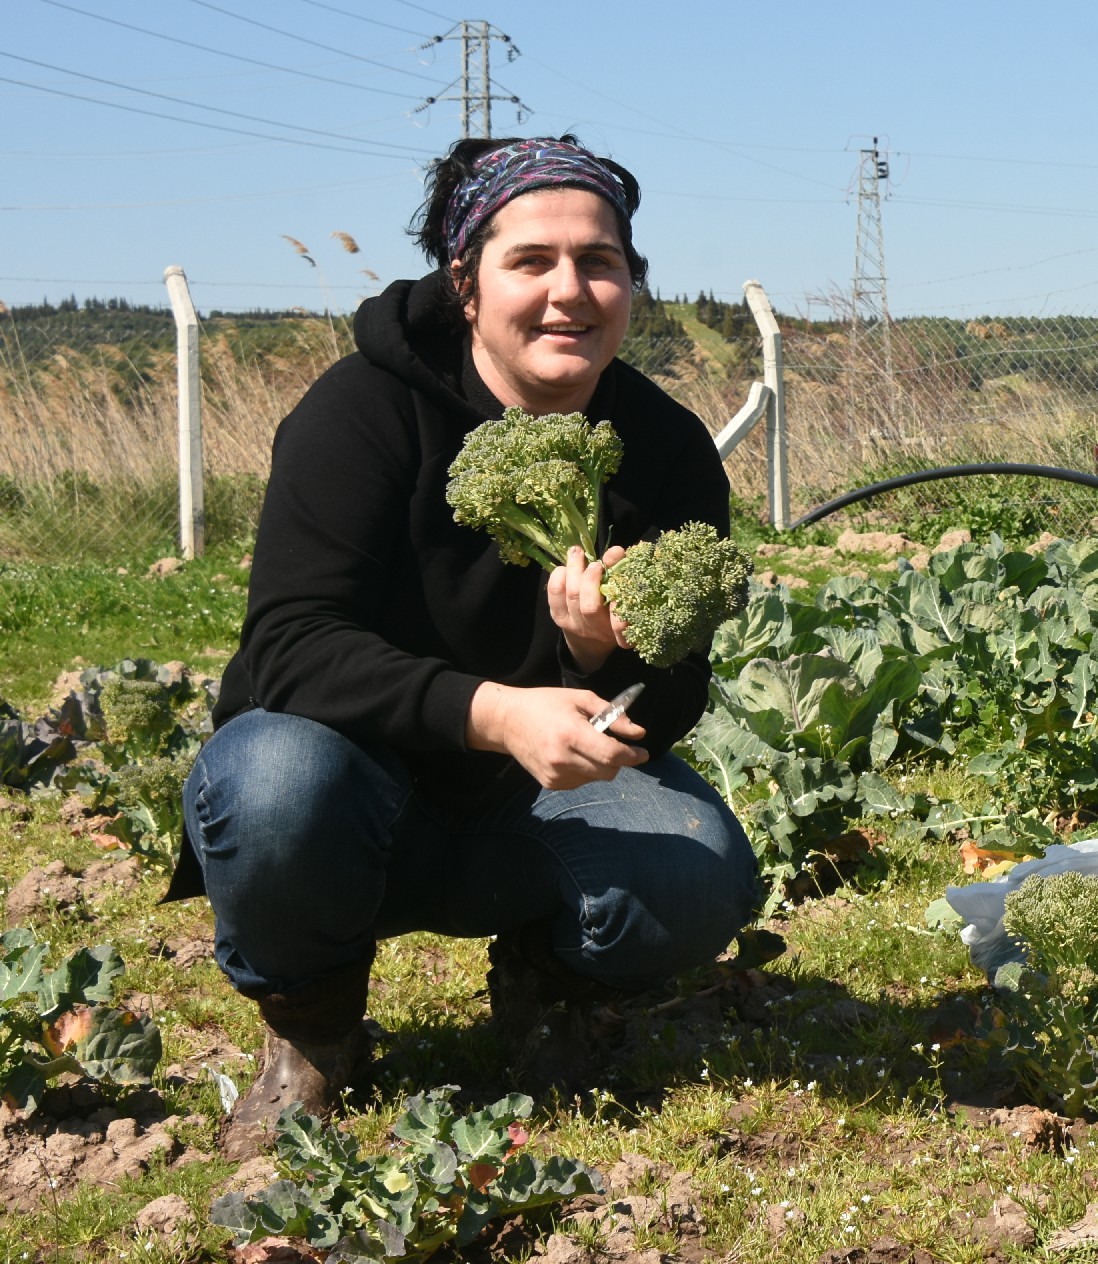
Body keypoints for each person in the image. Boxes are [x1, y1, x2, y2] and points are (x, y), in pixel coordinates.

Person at [175, 136, 761, 1153]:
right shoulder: (362, 411)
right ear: (466, 283)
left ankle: (550, 977)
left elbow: (678, 693)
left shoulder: (663, 446)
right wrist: (493, 709)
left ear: (632, 280)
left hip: (531, 817)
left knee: (701, 874)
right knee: (269, 779)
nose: (569, 291)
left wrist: (595, 663)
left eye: (601, 261)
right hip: (353, 799)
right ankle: (313, 1027)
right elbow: (288, 647)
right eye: (530, 260)